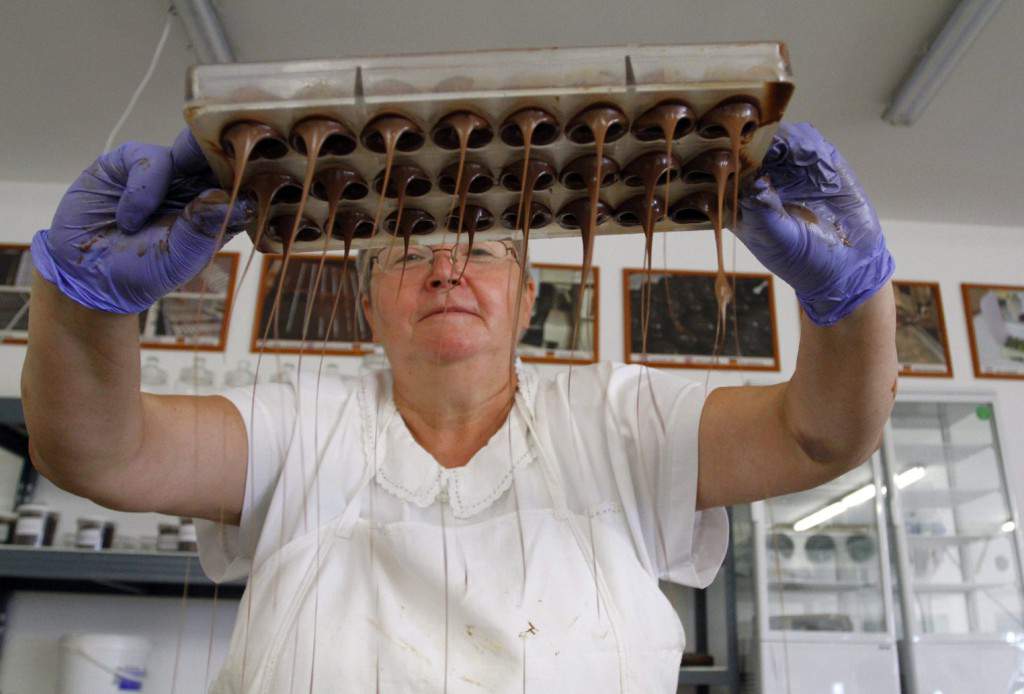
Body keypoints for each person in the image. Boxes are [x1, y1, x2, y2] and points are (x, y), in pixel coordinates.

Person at [21, 122, 896, 692]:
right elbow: (99, 456)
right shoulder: (298, 425)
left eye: (480, 251)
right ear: (368, 307)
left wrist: (853, 301)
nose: (445, 269)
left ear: (527, 299)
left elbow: (817, 438)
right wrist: (83, 306)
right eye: (407, 254)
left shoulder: (620, 419)